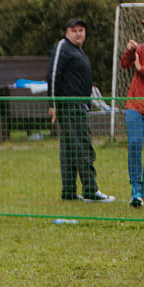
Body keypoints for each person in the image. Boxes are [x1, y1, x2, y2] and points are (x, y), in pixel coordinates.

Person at [47, 18, 113, 202]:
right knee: (83, 146)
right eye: (74, 30)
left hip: (80, 104)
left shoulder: (77, 51)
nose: (78, 34)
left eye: (81, 30)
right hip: (70, 105)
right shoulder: (63, 47)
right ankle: (91, 190)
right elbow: (53, 74)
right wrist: (53, 103)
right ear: (67, 33)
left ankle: (68, 192)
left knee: (69, 149)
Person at [120, 19, 144, 207]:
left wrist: (140, 68)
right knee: (135, 144)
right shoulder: (140, 49)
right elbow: (124, 64)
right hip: (135, 106)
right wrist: (129, 51)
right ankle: (136, 189)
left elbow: (137, 68)